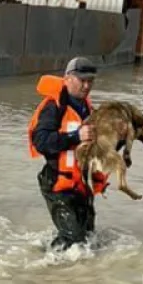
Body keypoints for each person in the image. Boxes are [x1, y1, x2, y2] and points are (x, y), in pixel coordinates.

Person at [27, 56, 108, 251]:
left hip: (81, 183)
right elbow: (41, 142)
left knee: (89, 237)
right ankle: (45, 270)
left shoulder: (87, 108)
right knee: (75, 241)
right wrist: (75, 136)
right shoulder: (53, 107)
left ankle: (52, 257)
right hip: (57, 183)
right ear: (68, 78)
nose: (87, 85)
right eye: (82, 80)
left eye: (91, 81)